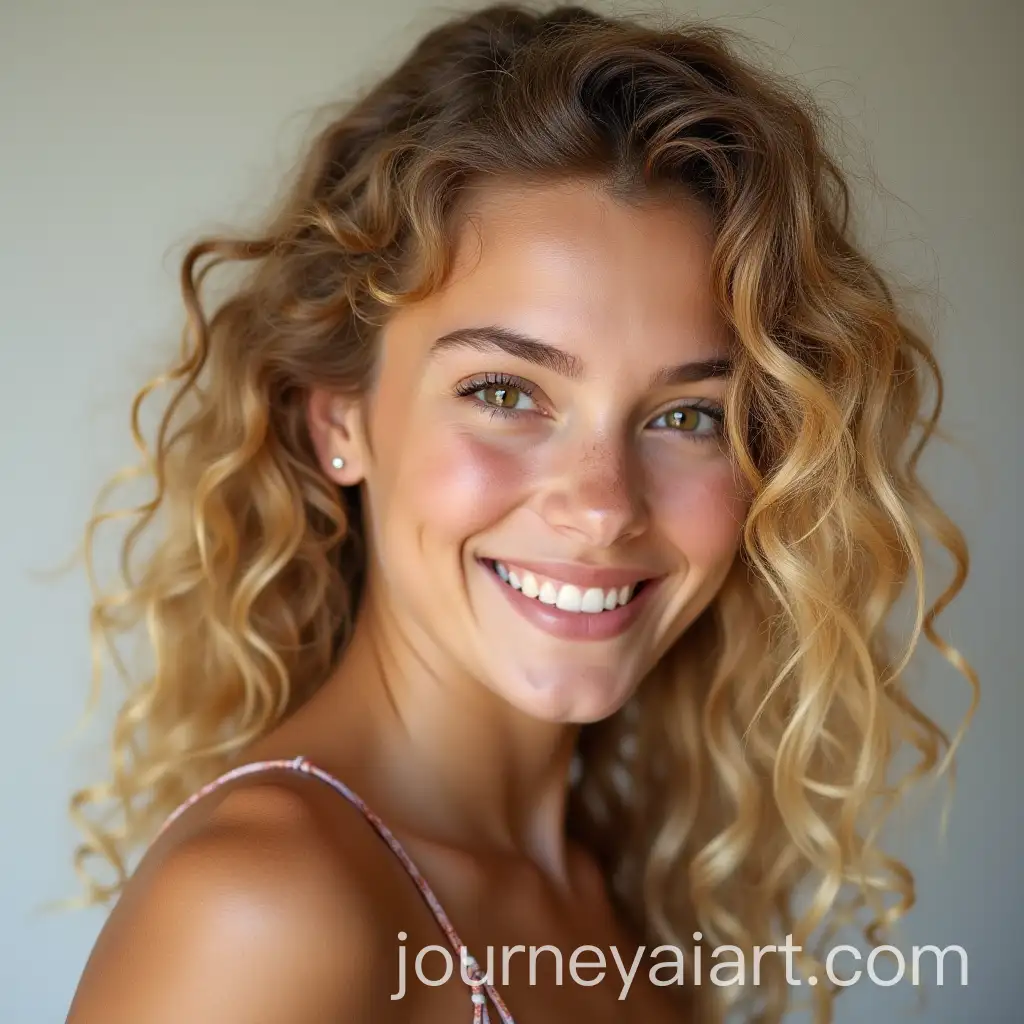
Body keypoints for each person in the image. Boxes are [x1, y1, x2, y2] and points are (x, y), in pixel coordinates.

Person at [65, 4, 977, 1022]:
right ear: (340, 419)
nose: (601, 508)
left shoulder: (608, 891)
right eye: (504, 393)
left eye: (686, 415)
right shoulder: (266, 906)